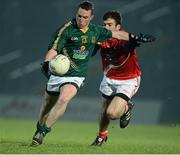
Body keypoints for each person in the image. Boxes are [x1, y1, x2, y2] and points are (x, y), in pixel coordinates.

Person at [31, 1, 153, 147]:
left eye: (85, 17)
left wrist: (135, 38)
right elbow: (54, 48)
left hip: (89, 76)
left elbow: (119, 35)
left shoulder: (107, 35)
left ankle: (43, 132)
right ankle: (40, 128)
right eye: (79, 16)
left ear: (91, 17)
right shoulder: (69, 30)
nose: (81, 20)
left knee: (67, 100)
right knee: (47, 105)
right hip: (70, 74)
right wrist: (47, 62)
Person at [91, 11, 155, 146]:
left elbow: (127, 41)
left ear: (118, 27)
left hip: (128, 80)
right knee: (104, 110)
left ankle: (126, 107)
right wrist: (93, 46)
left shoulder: (124, 38)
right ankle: (101, 136)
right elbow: (91, 52)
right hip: (109, 78)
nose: (106, 27)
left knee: (112, 114)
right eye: (104, 24)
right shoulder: (102, 37)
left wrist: (135, 41)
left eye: (110, 24)